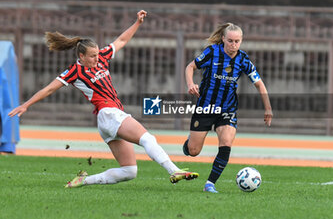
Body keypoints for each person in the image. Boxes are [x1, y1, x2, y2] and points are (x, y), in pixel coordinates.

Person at [8, 10, 198, 188]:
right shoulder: (74, 71)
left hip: (109, 119)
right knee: (148, 138)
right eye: (92, 56)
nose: (96, 59)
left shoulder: (103, 57)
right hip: (108, 113)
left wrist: (137, 23)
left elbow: (122, 40)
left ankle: (83, 180)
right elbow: (49, 89)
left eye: (97, 54)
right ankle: (174, 171)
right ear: (81, 56)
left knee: (129, 171)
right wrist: (26, 105)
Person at [183, 23, 273, 193]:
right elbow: (190, 66)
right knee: (193, 151)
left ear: (241, 41)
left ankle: (210, 184)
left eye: (237, 41)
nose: (233, 44)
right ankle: (188, 144)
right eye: (230, 40)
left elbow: (259, 84)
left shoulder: (243, 59)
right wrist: (190, 84)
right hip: (205, 107)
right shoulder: (211, 52)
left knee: (226, 143)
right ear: (223, 38)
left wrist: (268, 108)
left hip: (227, 109)